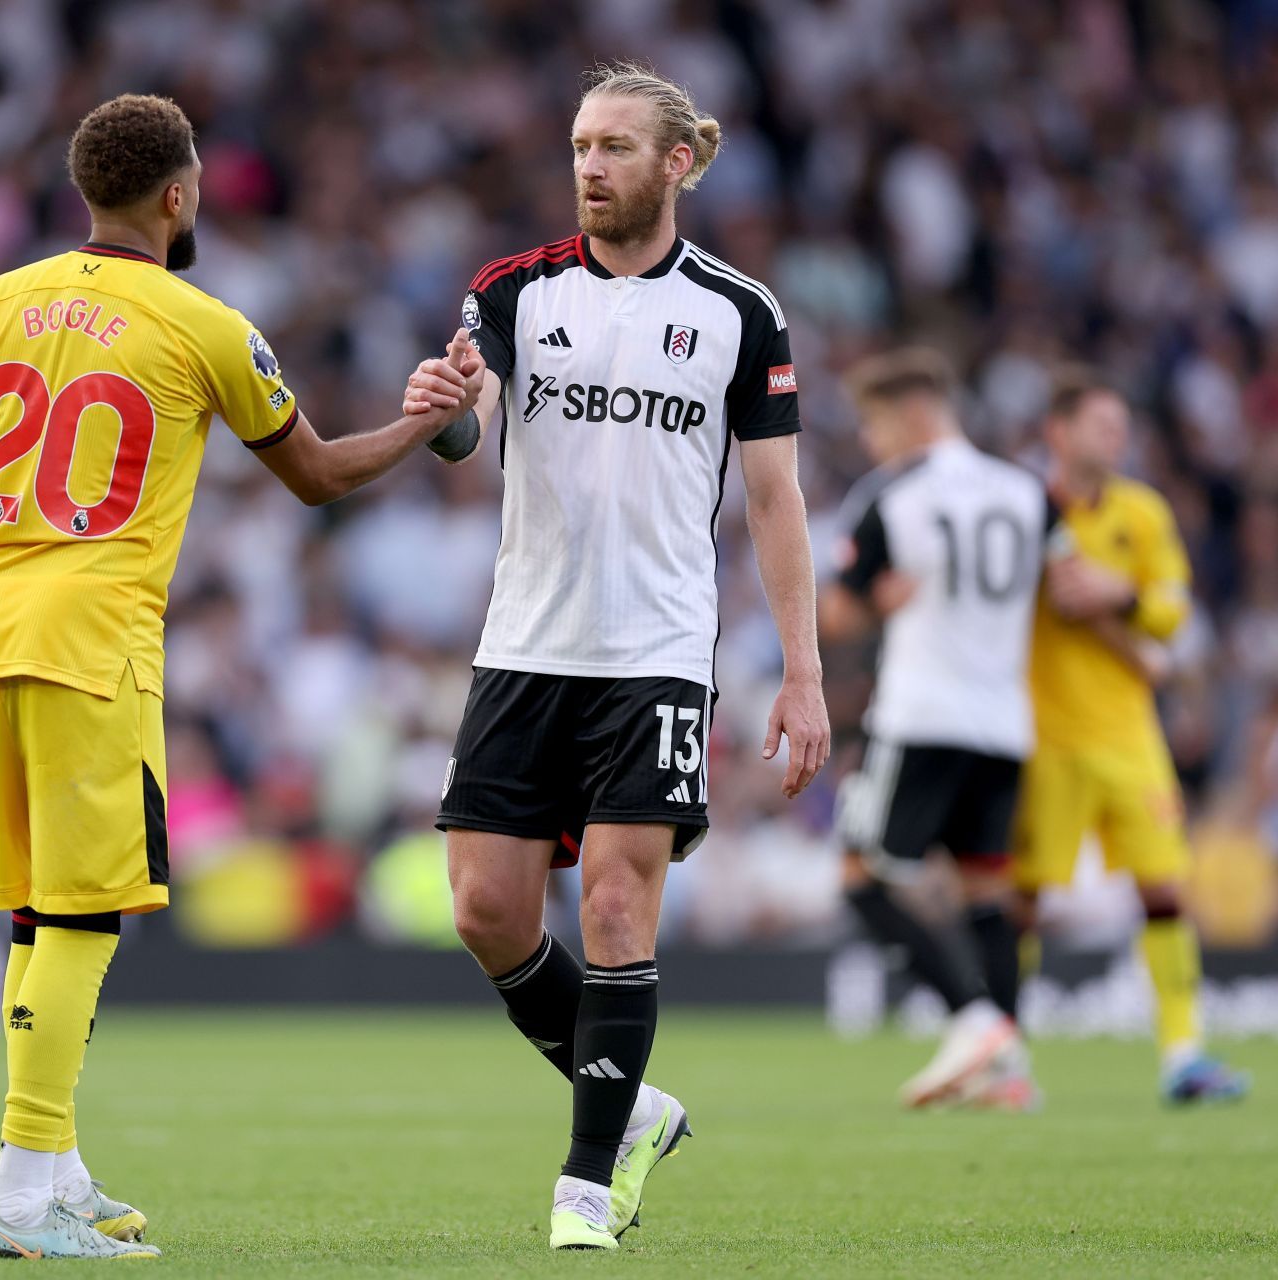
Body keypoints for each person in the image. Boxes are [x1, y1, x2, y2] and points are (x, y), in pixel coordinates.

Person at [0, 94, 483, 1262]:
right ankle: (21, 1191)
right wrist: (424, 424)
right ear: (178, 194)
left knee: (33, 911)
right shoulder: (204, 322)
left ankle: (55, 1167)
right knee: (81, 913)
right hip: (90, 641)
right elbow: (312, 475)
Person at [403, 62, 830, 1252]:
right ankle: (632, 1105)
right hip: (524, 647)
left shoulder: (743, 312)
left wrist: (802, 670)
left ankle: (587, 1183)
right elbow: (464, 418)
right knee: (488, 910)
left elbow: (778, 502)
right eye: (579, 146)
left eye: (614, 148)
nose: (589, 167)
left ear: (677, 161)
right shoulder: (517, 291)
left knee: (615, 904)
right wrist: (442, 407)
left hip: (654, 652)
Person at [1013, 371, 1249, 1105]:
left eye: (1122, 426)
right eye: (1101, 425)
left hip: (1128, 738)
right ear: (1059, 431)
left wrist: (1121, 593)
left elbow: (1172, 610)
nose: (1117, 438)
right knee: (1024, 901)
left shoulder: (1141, 513)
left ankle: (1184, 1053)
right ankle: (1003, 1057)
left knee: (1166, 889)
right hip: (1046, 736)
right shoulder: (1025, 510)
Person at [820, 349, 1048, 1111]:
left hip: (922, 715)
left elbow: (841, 611)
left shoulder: (892, 496)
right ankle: (1008, 1072)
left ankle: (977, 1021)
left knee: (861, 877)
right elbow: (1069, 584)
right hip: (1005, 723)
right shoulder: (1026, 491)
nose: (871, 441)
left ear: (915, 413)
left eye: (875, 424)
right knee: (987, 891)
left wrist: (875, 599)